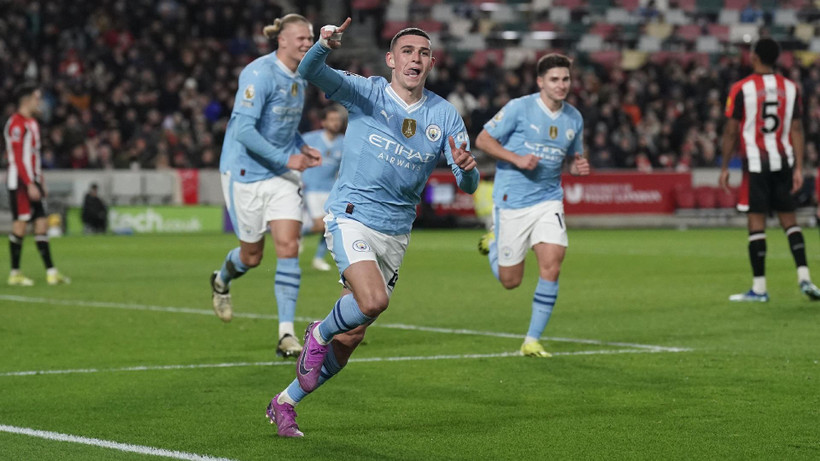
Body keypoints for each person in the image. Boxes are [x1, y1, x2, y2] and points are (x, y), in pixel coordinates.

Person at [265, 19, 479, 437]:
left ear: (431, 63)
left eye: (423, 53)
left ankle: (285, 402)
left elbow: (467, 184)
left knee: (351, 338)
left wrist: (468, 169)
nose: (415, 58)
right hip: (352, 215)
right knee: (373, 300)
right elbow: (310, 71)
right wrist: (323, 46)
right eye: (407, 51)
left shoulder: (444, 115)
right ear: (391, 60)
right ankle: (318, 331)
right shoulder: (366, 92)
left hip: (395, 233)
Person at [209, 14, 322, 359]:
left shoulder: (301, 76)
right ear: (282, 40)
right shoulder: (258, 74)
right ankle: (221, 280)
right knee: (251, 257)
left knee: (288, 246)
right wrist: (288, 158)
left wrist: (301, 146)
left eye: (310, 38)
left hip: (280, 176)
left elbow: (283, 123)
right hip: (244, 172)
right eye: (301, 38)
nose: (307, 43)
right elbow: (244, 131)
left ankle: (286, 334)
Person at [474, 54, 590, 358]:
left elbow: (573, 159)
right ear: (540, 82)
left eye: (565, 79)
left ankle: (531, 340)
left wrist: (577, 167)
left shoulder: (574, 118)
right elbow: (483, 140)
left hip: (549, 199)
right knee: (510, 281)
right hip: (512, 201)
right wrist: (516, 159)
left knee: (553, 264)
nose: (561, 85)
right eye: (554, 79)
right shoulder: (519, 108)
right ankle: (494, 243)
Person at [719, 38, 820, 302]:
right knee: (790, 220)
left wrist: (725, 166)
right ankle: (805, 277)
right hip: (783, 161)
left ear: (754, 57)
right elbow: (796, 129)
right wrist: (799, 167)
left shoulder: (741, 88)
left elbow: (731, 131)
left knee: (756, 221)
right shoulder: (791, 88)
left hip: (756, 162)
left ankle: (760, 288)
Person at [4, 82, 70, 286]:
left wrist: (41, 180)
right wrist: (29, 184)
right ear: (27, 100)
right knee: (20, 224)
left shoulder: (32, 123)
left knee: (42, 224)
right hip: (20, 182)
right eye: (37, 98)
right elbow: (17, 158)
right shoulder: (16, 124)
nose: (39, 102)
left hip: (33, 180)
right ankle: (15, 273)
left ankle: (51, 272)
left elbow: (34, 157)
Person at [299, 104, 346, 271]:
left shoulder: (344, 142)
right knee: (320, 225)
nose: (335, 123)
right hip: (311, 188)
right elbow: (295, 156)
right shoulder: (310, 139)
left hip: (330, 190)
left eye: (338, 120)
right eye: (332, 120)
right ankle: (298, 234)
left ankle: (318, 258)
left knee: (331, 226)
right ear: (324, 122)